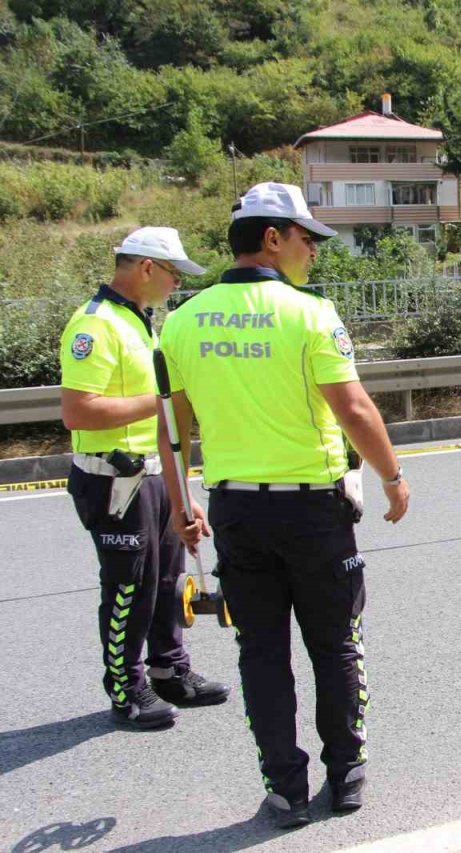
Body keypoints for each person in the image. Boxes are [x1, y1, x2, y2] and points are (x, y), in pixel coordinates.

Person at [158, 182, 410, 829]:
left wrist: (182, 504)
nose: (313, 252)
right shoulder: (311, 313)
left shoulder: (181, 321)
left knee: (261, 654)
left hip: (236, 513)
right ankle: (346, 773)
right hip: (314, 512)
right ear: (272, 238)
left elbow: (173, 431)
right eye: (306, 238)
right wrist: (392, 477)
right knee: (336, 644)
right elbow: (353, 407)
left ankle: (285, 791)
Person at [60, 227, 231, 730]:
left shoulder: (140, 322)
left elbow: (160, 425)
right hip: (112, 481)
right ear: (146, 267)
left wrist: (181, 493)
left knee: (166, 580)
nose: (177, 283)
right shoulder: (95, 325)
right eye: (174, 273)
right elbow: (78, 411)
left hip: (151, 474)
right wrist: (162, 400)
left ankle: (169, 670)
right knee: (128, 588)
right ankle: (127, 687)